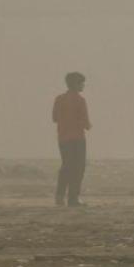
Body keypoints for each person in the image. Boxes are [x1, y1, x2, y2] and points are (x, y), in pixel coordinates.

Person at [53, 72, 91, 208]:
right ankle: (73, 198)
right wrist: (87, 125)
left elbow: (54, 118)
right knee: (78, 168)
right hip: (77, 139)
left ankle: (59, 196)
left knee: (66, 167)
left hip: (63, 138)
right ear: (76, 84)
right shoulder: (80, 100)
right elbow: (86, 124)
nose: (83, 86)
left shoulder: (59, 99)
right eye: (81, 83)